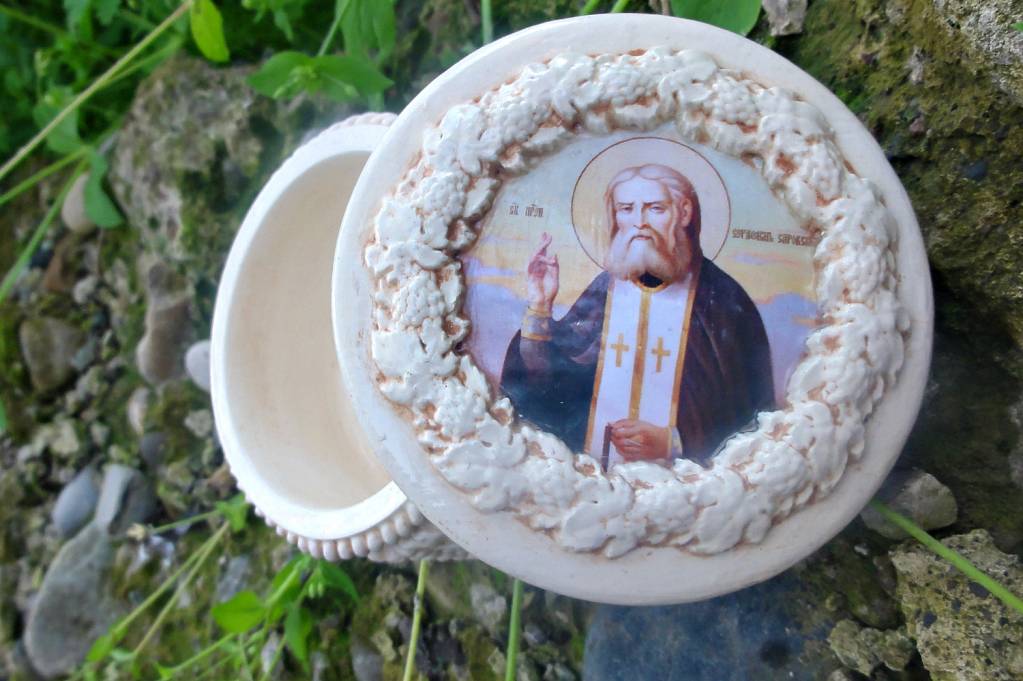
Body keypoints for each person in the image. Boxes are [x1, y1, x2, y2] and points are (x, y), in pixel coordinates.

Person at [499, 163, 774, 468]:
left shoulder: (723, 302)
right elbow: (550, 381)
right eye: (627, 209)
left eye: (655, 208)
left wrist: (673, 441)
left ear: (684, 213)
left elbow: (749, 411)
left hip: (684, 481)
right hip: (595, 474)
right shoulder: (605, 289)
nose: (639, 222)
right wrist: (540, 306)